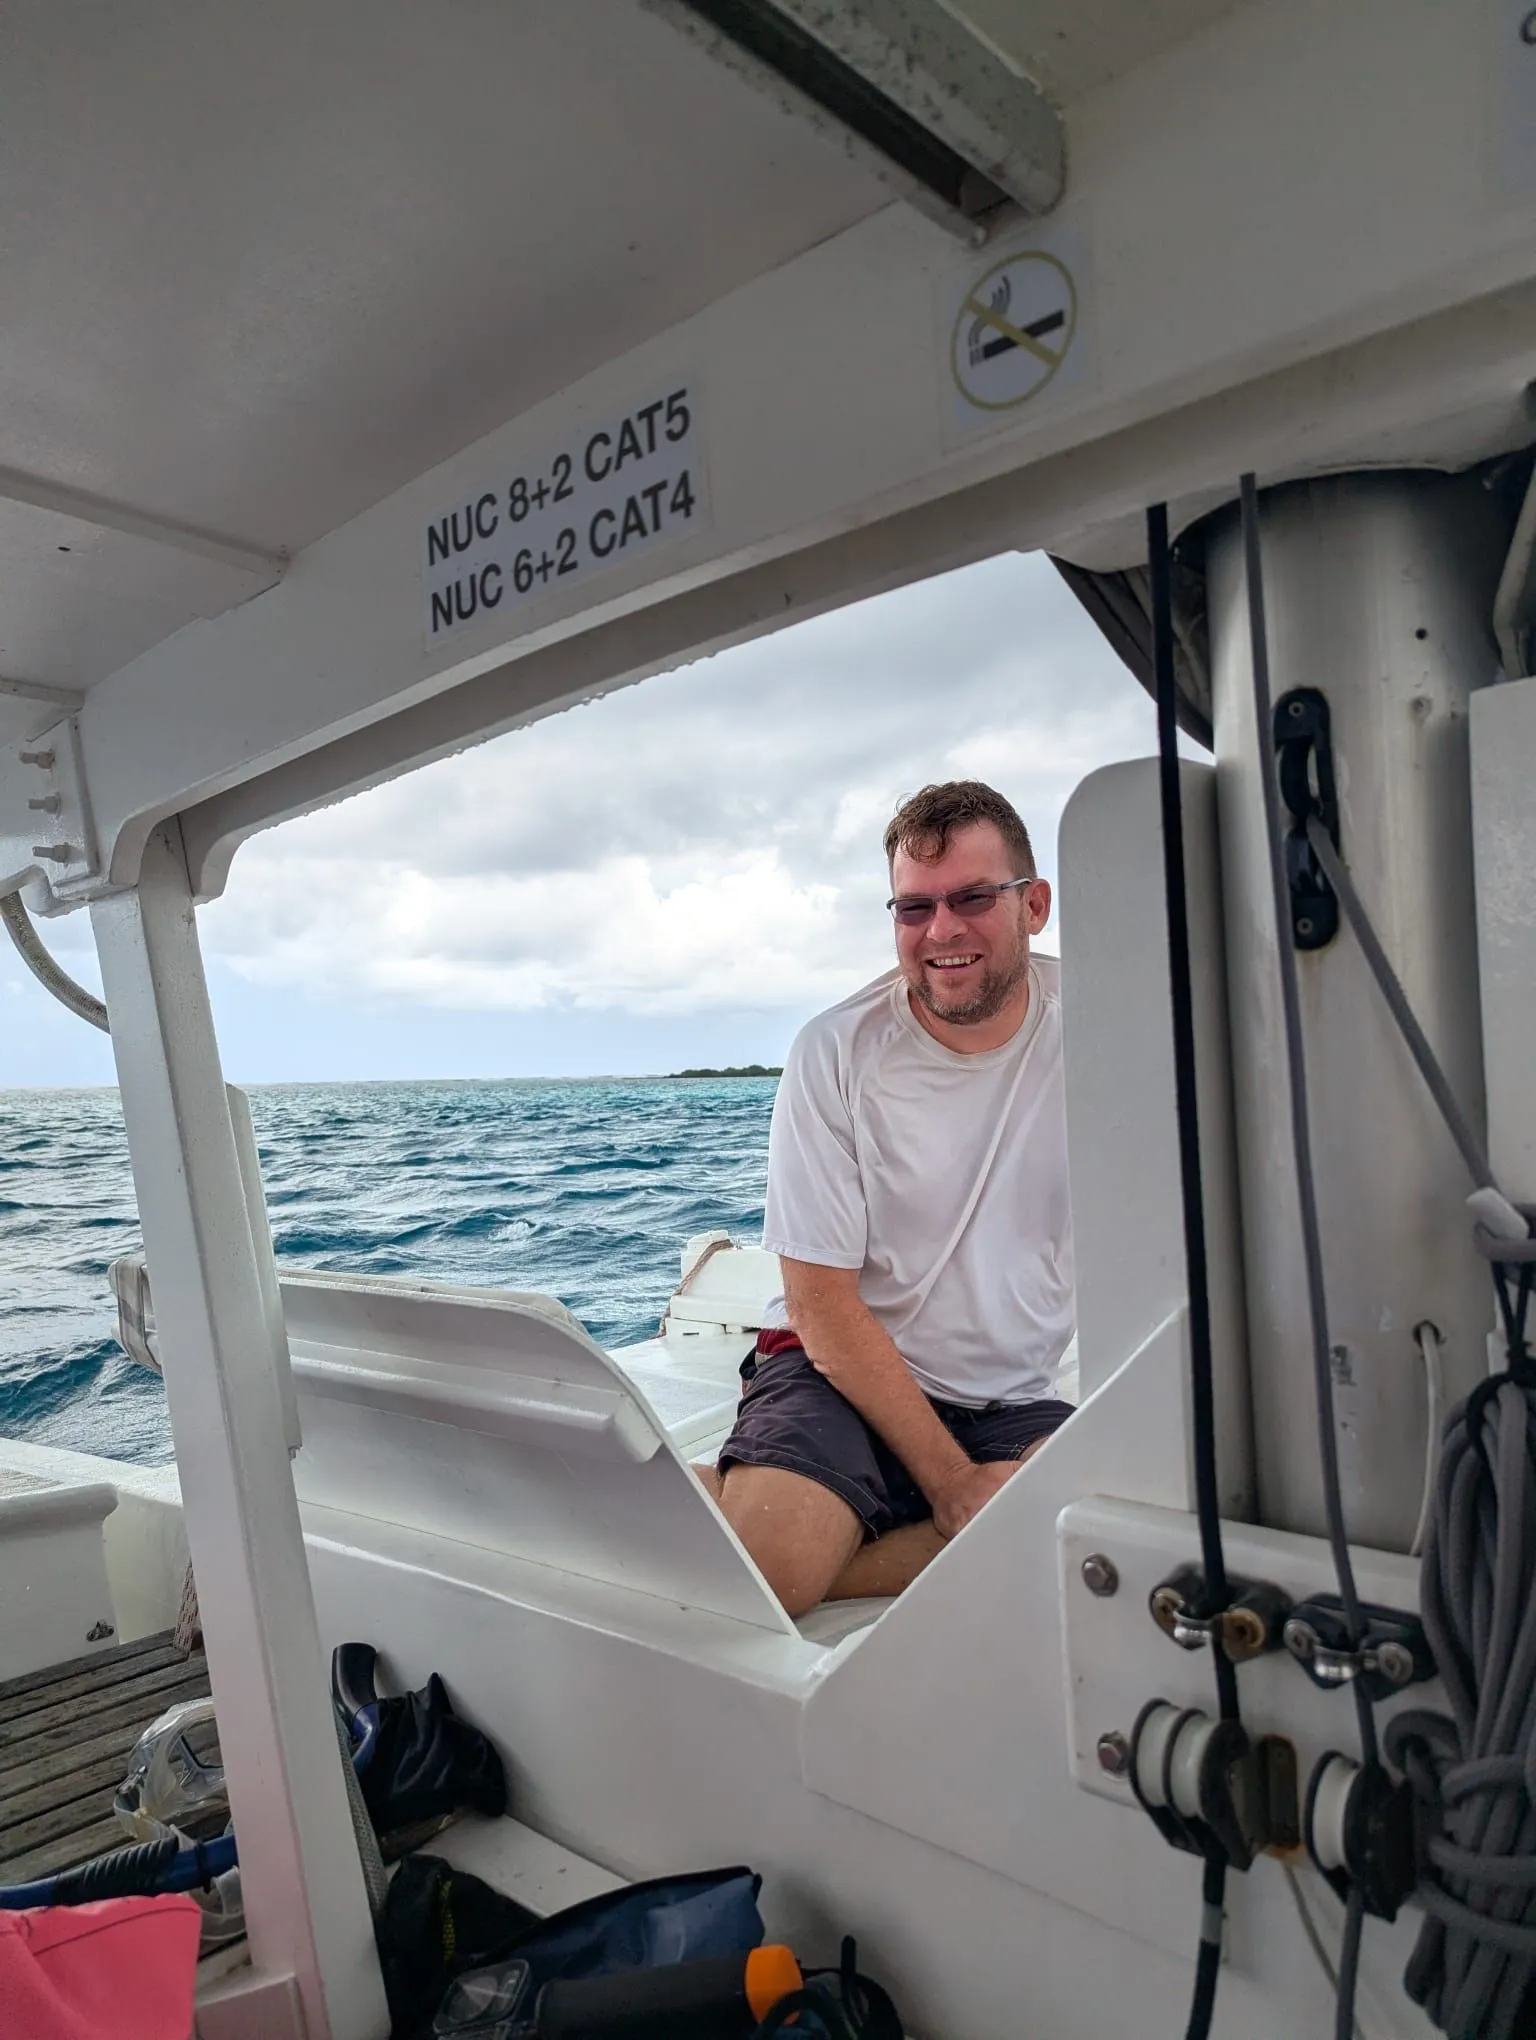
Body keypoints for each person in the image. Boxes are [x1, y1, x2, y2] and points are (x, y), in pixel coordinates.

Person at [698, 780, 1075, 1617]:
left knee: (1097, 1523)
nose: (942, 931)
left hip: (1009, 1392)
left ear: (1035, 904)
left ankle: (760, 1498)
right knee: (776, 1577)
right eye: (913, 908)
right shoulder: (836, 1050)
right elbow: (819, 1302)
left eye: (973, 898)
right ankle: (808, 1507)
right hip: (838, 1369)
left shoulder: (1107, 1024)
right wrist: (952, 1486)